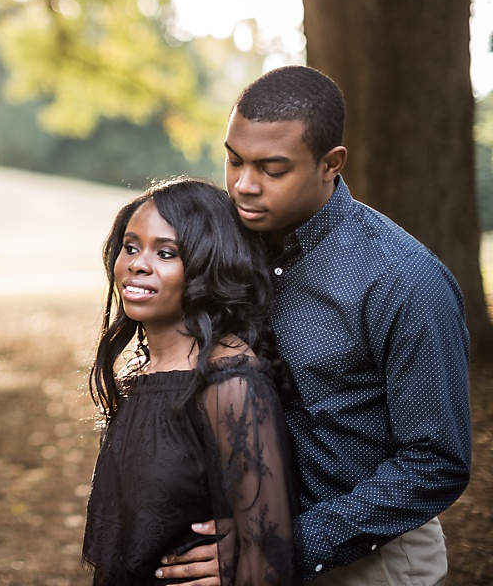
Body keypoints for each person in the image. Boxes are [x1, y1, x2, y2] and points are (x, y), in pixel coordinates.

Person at [156, 66, 472, 585]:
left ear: (331, 164)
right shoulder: (227, 247)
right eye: (234, 159)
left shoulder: (405, 280)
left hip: (369, 559)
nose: (242, 184)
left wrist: (280, 546)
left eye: (271, 169)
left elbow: (435, 463)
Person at [82, 177, 298, 586]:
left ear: (207, 265)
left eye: (166, 253)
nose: (137, 264)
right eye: (131, 246)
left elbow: (267, 556)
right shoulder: (141, 373)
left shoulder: (229, 383)